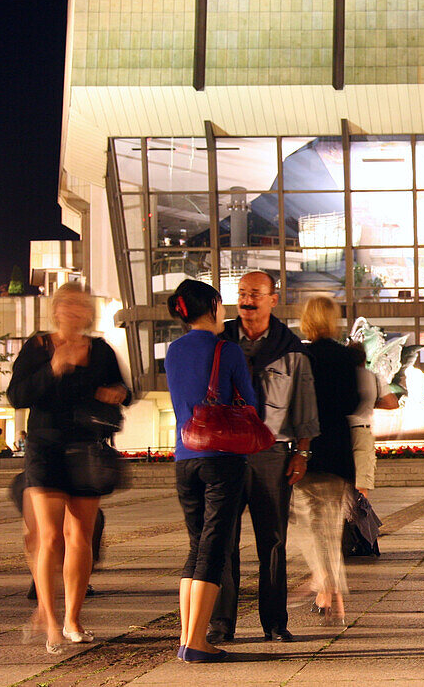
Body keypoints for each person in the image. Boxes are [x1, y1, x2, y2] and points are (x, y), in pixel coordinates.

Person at [7, 282, 131, 653]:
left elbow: (126, 390)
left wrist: (117, 394)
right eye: (69, 306)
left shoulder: (102, 351)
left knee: (81, 536)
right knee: (49, 537)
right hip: (45, 449)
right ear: (56, 310)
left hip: (87, 450)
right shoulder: (38, 347)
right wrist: (54, 368)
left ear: (89, 312)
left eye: (81, 306)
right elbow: (16, 395)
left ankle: (73, 619)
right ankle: (50, 623)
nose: (75, 312)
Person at [209, 271, 319, 644]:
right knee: (222, 539)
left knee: (272, 541)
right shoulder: (218, 340)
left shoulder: (291, 349)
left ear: (273, 299)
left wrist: (301, 453)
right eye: (241, 293)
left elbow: (304, 404)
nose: (246, 300)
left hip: (271, 454)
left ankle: (274, 622)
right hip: (224, 452)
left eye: (255, 293)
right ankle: (221, 622)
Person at [165, 279, 255, 663]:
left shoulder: (173, 351)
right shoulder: (228, 349)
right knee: (215, 548)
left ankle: (188, 637)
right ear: (215, 306)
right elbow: (249, 401)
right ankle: (197, 641)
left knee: (196, 545)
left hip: (185, 457)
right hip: (222, 457)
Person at [292, 296, 361, 626]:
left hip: (309, 449)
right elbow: (353, 402)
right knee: (330, 529)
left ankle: (328, 587)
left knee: (309, 526)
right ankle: (332, 594)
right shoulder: (346, 357)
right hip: (338, 448)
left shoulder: (302, 357)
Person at [347, 342, 398, 497]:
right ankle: (359, 518)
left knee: (341, 482)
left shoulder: (339, 376)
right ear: (364, 359)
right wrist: (371, 403)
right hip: (362, 431)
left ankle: (341, 518)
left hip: (340, 431)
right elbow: (392, 403)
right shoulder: (373, 378)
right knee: (361, 484)